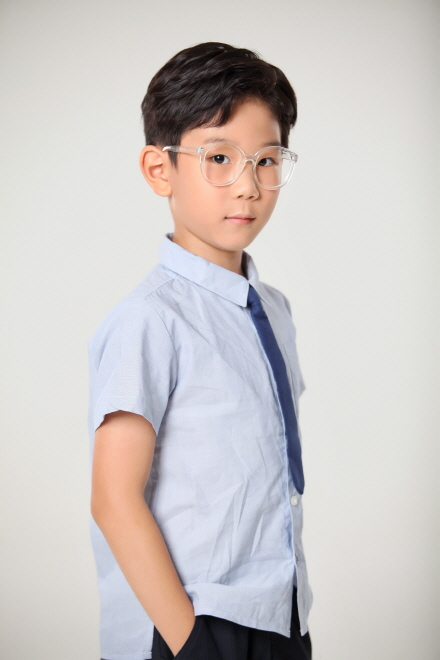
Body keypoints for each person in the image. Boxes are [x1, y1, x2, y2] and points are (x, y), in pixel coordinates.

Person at [88, 41, 313, 660]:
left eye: (266, 161)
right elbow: (114, 498)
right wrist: (190, 640)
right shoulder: (150, 318)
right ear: (160, 169)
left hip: (279, 608)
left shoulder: (273, 308)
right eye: (219, 158)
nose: (249, 187)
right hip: (193, 620)